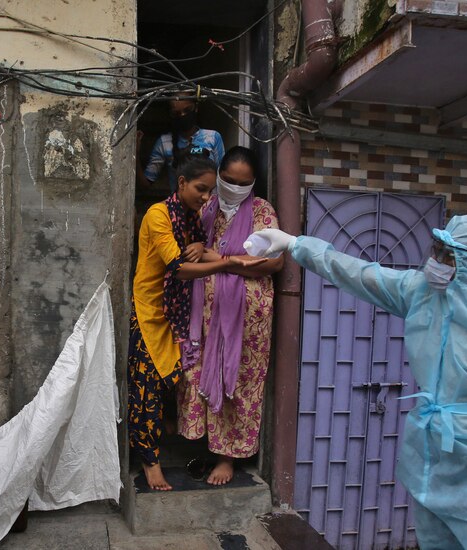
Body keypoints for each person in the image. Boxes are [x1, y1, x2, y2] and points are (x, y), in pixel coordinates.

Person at [249, 215, 467, 550]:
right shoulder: (425, 295)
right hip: (435, 475)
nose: (433, 261)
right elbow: (361, 275)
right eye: (434, 248)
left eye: (445, 254)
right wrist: (296, 244)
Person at [129, 154, 263, 491]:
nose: (206, 198)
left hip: (176, 314)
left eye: (208, 192)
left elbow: (198, 247)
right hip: (150, 314)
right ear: (181, 183)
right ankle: (150, 463)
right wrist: (228, 264)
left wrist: (203, 246)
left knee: (171, 380)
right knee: (146, 389)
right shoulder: (158, 215)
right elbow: (179, 268)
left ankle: (165, 430)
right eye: (201, 190)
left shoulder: (191, 218)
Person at [177, 147, 283, 485]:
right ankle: (200, 442)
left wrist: (220, 257)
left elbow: (275, 263)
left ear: (253, 184)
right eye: (228, 180)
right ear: (218, 173)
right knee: (195, 372)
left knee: (235, 379)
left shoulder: (262, 213)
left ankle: (227, 457)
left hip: (245, 319)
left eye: (243, 183)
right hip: (201, 314)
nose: (234, 187)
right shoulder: (204, 204)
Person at [138, 95, 225, 194]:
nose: (183, 115)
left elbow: (222, 178)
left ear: (196, 107)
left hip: (210, 206)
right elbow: (146, 183)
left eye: (187, 110)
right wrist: (135, 153)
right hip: (178, 207)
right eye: (176, 113)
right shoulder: (164, 142)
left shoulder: (213, 137)